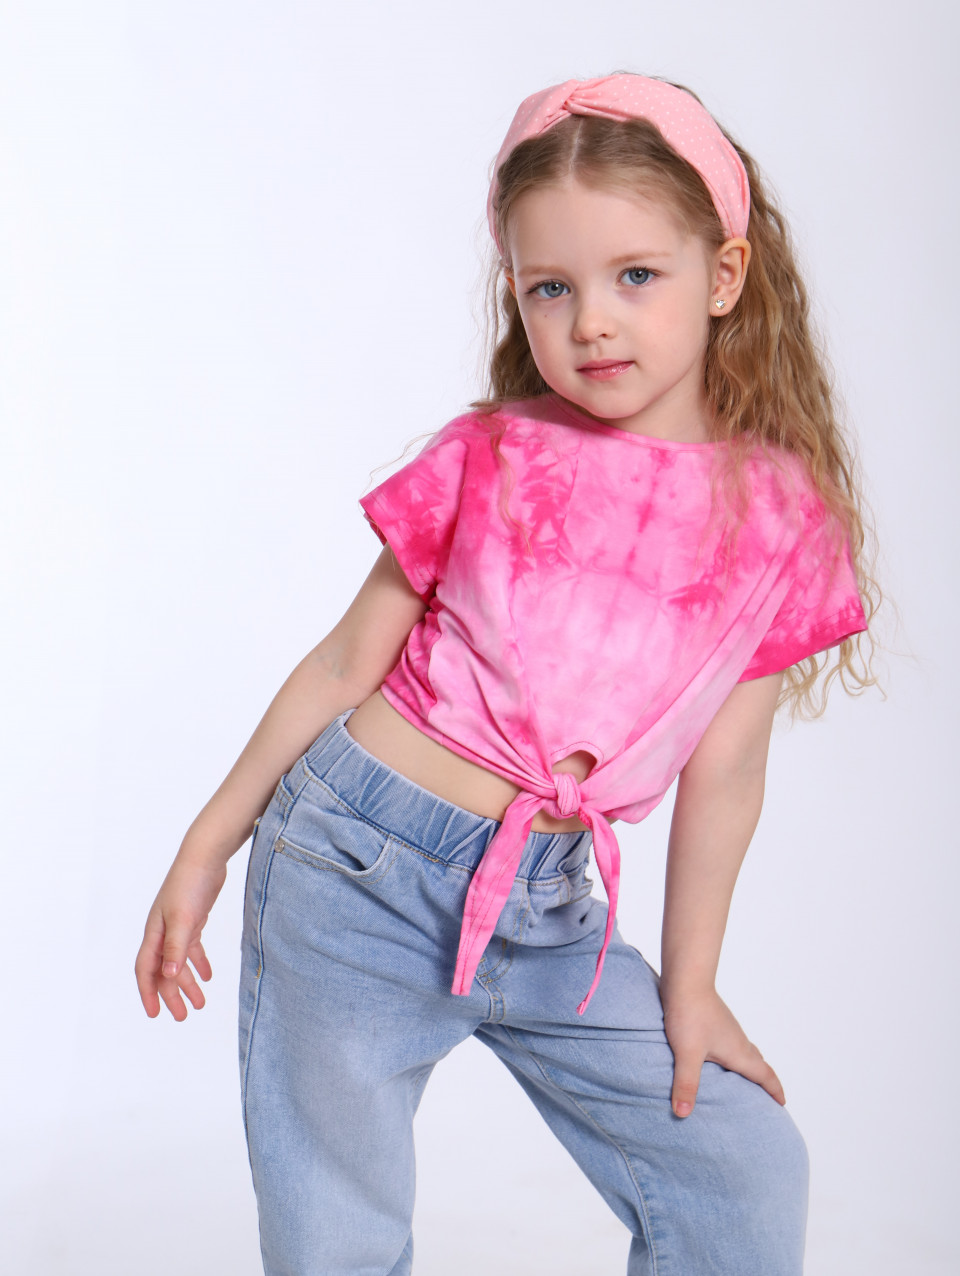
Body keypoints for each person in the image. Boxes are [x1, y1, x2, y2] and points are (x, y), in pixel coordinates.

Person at [135, 72, 878, 1275]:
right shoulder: (490, 455)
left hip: (551, 911)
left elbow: (728, 772)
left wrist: (691, 988)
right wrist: (206, 844)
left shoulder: (782, 519)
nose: (593, 321)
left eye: (637, 275)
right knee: (337, 1236)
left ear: (724, 275)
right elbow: (343, 662)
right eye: (552, 287)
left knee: (742, 1167)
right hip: (353, 872)